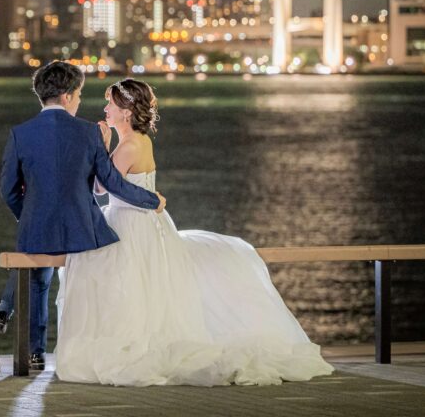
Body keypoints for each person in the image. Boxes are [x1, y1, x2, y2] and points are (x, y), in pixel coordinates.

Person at [55, 78, 335, 386]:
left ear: (126, 111)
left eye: (111, 103)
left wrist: (100, 144)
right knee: (145, 288)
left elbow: (101, 187)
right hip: (143, 221)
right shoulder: (140, 141)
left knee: (127, 287)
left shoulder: (129, 146)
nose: (106, 108)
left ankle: (127, 347)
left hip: (129, 224)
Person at [0, 62, 166, 371]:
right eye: (80, 94)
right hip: (82, 230)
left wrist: (29, 215)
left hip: (38, 229)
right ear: (68, 96)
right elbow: (111, 183)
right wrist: (151, 199)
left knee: (37, 281)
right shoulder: (89, 132)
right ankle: (102, 346)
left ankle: (34, 351)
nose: (80, 100)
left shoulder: (20, 134)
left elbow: (8, 191)